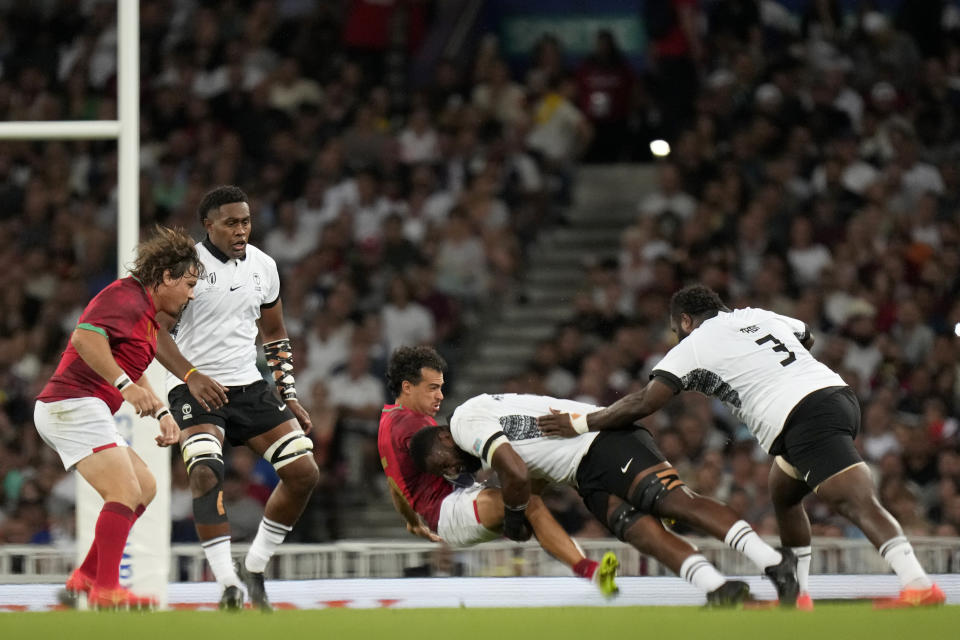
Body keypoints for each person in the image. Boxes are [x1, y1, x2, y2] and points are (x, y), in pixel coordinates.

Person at [538, 284, 946, 609]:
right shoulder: (755, 315)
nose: (676, 335)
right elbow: (807, 335)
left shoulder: (693, 345)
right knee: (784, 494)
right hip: (832, 396)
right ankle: (796, 595)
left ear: (684, 320)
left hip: (802, 415)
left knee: (854, 501)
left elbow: (645, 402)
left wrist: (582, 420)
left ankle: (919, 585)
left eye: (676, 328)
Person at [411, 393, 799, 607]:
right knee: (640, 533)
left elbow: (517, 473)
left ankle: (774, 560)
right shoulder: (484, 433)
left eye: (441, 463)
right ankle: (717, 587)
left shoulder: (463, 424)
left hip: (604, 441)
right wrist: (526, 508)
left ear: (444, 438)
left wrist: (514, 516)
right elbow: (532, 473)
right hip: (584, 474)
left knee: (672, 501)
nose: (449, 472)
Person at [155, 186, 320, 611]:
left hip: (248, 386)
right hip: (194, 386)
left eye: (245, 221)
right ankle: (227, 582)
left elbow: (275, 333)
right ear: (208, 225)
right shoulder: (185, 266)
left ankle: (256, 565)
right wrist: (191, 376)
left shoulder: (264, 266)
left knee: (304, 471)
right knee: (207, 472)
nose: (241, 229)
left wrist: (289, 393)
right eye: (231, 222)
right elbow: (153, 332)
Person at [34, 226, 202, 609]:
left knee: (144, 486)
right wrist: (126, 387)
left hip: (81, 406)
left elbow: (130, 360)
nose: (191, 294)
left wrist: (161, 410)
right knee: (123, 492)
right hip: (71, 403)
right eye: (188, 284)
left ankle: (88, 575)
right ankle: (107, 590)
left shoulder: (144, 314)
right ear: (167, 277)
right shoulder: (126, 296)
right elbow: (84, 339)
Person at [379, 346, 618, 596]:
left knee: (533, 476)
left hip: (448, 509)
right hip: (449, 509)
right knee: (531, 502)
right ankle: (591, 571)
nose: (439, 396)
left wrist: (412, 522)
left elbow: (395, 485)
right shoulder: (411, 425)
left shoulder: (387, 422)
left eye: (440, 387)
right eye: (432, 388)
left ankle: (570, 540)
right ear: (407, 387)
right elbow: (447, 458)